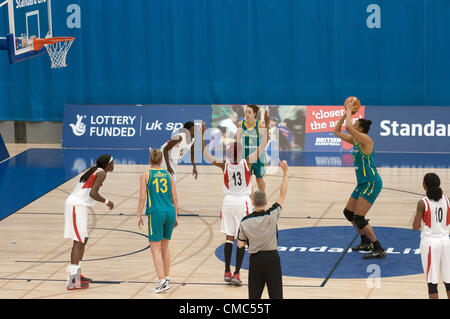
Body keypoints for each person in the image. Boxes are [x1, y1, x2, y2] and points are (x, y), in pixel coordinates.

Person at [202, 122, 269, 286]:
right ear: (240, 153)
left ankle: (226, 271)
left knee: (228, 237)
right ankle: (237, 273)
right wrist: (265, 129)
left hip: (227, 203)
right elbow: (262, 146)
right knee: (242, 239)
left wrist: (202, 134)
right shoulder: (247, 162)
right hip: (242, 203)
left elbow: (206, 155)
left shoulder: (224, 164)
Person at [333, 99, 385, 259]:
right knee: (348, 213)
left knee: (359, 218)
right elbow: (337, 131)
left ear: (360, 129)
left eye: (356, 125)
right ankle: (365, 242)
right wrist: (344, 113)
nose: (352, 126)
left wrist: (349, 109)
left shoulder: (366, 140)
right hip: (362, 184)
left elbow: (348, 127)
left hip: (371, 183)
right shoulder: (355, 140)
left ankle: (379, 248)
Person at [237, 159, 288, 299]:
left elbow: (240, 244)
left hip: (255, 261)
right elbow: (282, 194)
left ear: (252, 202)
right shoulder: (272, 215)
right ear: (266, 202)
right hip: (272, 259)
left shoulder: (245, 222)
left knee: (254, 297)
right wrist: (285, 172)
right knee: (276, 296)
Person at [64, 154, 115, 290]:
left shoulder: (96, 170)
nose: (113, 165)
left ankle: (77, 274)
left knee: (83, 239)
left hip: (80, 206)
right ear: (108, 164)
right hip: (76, 205)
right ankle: (73, 280)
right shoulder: (101, 173)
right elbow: (93, 193)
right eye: (112, 163)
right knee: (78, 241)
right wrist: (107, 202)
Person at [138, 149, 179, 294]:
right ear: (161, 161)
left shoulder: (146, 175)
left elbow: (143, 197)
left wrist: (139, 215)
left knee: (155, 248)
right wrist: (176, 215)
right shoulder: (168, 175)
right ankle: (166, 278)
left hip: (155, 213)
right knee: (165, 247)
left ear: (150, 160)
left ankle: (161, 281)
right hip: (170, 212)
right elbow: (175, 197)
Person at [412, 173, 450, 299]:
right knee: (448, 281)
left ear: (425, 185)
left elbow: (415, 227)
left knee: (432, 283)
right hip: (445, 241)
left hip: (430, 244)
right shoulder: (447, 199)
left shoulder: (422, 203)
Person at [236, 105, 270, 192]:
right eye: (246, 112)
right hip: (246, 157)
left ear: (254, 113)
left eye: (249, 112)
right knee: (248, 180)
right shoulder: (240, 124)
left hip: (259, 157)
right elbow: (237, 141)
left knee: (259, 179)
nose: (247, 114)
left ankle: (263, 197)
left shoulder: (260, 125)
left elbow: (266, 140)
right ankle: (250, 200)